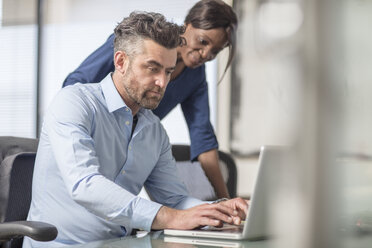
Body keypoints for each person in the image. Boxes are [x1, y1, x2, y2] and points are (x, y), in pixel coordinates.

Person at [23, 12, 247, 248]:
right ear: (120, 62)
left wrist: (218, 211)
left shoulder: (154, 131)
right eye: (152, 68)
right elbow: (85, 186)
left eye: (169, 72)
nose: (162, 82)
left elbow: (175, 199)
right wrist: (169, 217)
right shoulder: (73, 103)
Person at [63, 0, 238, 199]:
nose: (206, 54)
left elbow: (203, 139)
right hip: (97, 142)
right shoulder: (138, 45)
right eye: (203, 41)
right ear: (188, 24)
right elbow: (74, 86)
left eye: (216, 51)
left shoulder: (195, 77)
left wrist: (227, 202)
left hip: (129, 151)